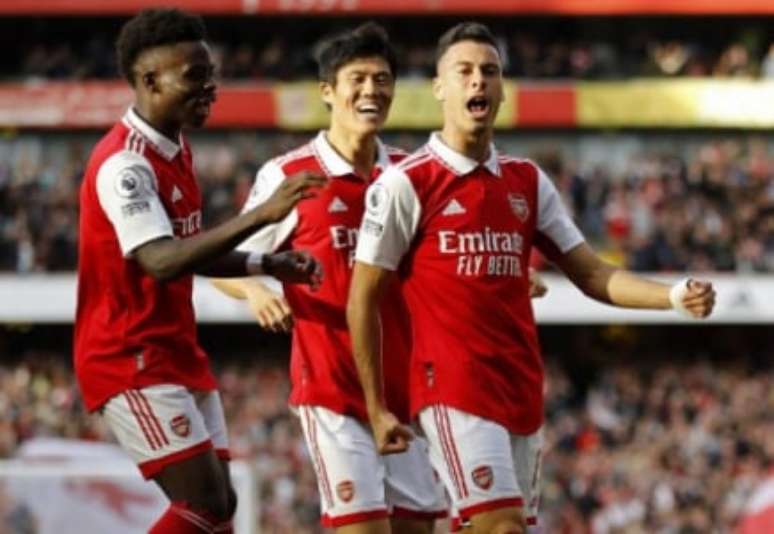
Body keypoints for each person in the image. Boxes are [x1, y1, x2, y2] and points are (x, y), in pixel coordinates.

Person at [347, 22, 716, 534]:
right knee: (503, 527)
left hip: (520, 385)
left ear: (502, 90)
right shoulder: (405, 184)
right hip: (451, 386)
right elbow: (361, 297)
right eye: (465, 71)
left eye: (490, 72)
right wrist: (376, 406)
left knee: (485, 527)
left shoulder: (527, 180)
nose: (478, 81)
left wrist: (673, 296)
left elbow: (591, 273)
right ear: (439, 86)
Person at [74, 9, 324, 534]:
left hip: (175, 347)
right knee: (207, 504)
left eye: (210, 73)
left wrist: (266, 263)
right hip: (129, 354)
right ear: (149, 80)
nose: (210, 87)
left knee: (221, 512)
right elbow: (161, 261)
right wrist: (261, 215)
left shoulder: (175, 148)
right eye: (194, 75)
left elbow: (187, 248)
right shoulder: (126, 165)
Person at [212, 23, 453, 534]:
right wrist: (254, 289)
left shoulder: (412, 175)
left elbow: (440, 266)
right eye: (359, 78)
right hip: (332, 391)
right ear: (328, 91)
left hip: (405, 394)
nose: (372, 91)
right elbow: (222, 260)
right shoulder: (290, 175)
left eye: (383, 79)